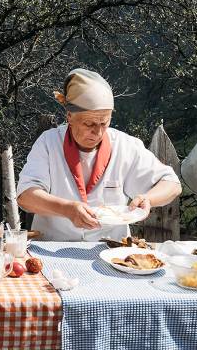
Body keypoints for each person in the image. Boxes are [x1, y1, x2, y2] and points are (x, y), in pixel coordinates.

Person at [17, 68, 182, 241]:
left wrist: (149, 198)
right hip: (52, 246)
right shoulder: (48, 143)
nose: (98, 132)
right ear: (69, 117)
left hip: (111, 250)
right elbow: (25, 196)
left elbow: (172, 184)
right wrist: (66, 209)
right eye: (89, 123)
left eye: (104, 123)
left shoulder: (125, 146)